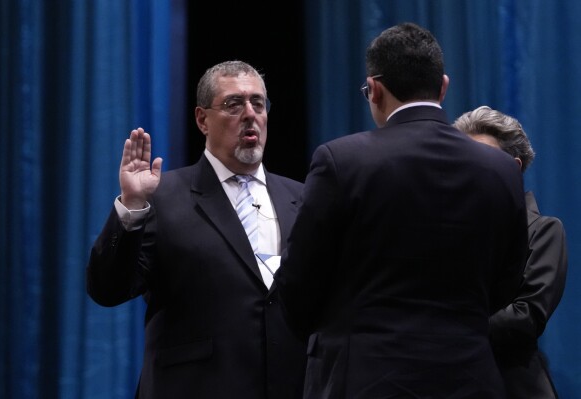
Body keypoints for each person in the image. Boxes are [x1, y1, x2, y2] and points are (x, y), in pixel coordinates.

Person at [274, 22, 529, 398]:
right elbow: (508, 279)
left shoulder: (341, 160)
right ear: (443, 86)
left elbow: (298, 285)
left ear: (374, 89)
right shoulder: (503, 169)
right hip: (471, 379)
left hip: (368, 379)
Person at [86, 60, 306, 399]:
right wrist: (131, 205)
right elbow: (107, 288)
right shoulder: (161, 196)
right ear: (202, 119)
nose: (250, 114)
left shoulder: (301, 197)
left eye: (258, 103)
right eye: (234, 104)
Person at [454, 105, 568, 398]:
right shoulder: (446, 228)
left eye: (481, 159)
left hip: (513, 386)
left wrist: (450, 331)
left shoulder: (543, 230)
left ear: (513, 168)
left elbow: (525, 317)